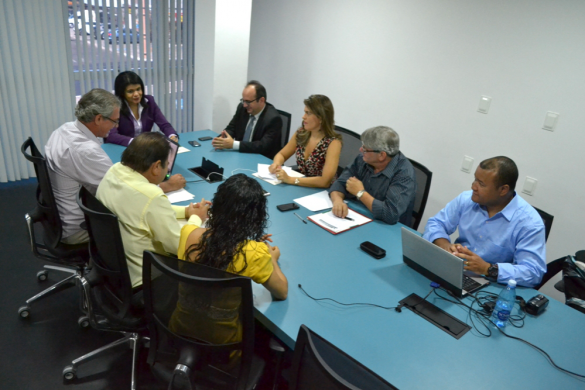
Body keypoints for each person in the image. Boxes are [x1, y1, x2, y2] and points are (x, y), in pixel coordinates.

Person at [45, 89, 186, 245]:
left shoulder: (65, 129)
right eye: (114, 121)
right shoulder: (85, 151)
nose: (116, 126)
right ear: (99, 119)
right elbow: (123, 194)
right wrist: (167, 185)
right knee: (151, 229)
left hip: (63, 215)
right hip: (79, 228)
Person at [169, 174, 287, 346]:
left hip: (177, 333)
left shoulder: (188, 233)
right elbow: (282, 291)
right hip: (223, 348)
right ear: (256, 217)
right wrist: (271, 258)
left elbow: (216, 247)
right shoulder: (255, 253)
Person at [96, 132, 210, 288]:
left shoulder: (114, 171)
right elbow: (180, 245)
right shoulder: (151, 195)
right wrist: (196, 218)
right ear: (156, 167)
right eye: (166, 166)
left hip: (113, 266)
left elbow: (145, 209)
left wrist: (185, 211)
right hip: (145, 278)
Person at [423, 156, 546, 288]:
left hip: (491, 286)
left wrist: (487, 269)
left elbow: (533, 272)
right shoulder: (466, 199)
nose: (473, 187)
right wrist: (445, 245)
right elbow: (436, 223)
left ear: (503, 190)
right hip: (453, 271)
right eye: (475, 179)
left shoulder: (529, 223)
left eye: (481, 184)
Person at [329, 126, 416, 225]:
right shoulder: (362, 159)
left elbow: (390, 214)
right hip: (357, 216)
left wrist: (360, 193)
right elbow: (341, 183)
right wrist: (337, 201)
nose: (361, 150)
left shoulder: (404, 174)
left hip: (386, 228)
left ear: (382, 155)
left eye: (366, 149)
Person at [268, 95, 342, 188]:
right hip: (302, 186)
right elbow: (282, 155)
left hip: (323, 193)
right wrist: (276, 164)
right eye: (304, 112)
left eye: (308, 113)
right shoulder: (301, 133)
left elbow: (324, 181)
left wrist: (290, 179)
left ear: (321, 118)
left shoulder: (333, 143)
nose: (303, 117)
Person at [211, 80, 283, 159]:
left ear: (261, 100)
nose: (245, 105)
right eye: (243, 100)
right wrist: (222, 139)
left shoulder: (273, 119)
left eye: (248, 102)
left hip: (261, 160)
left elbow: (262, 146)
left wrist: (233, 144)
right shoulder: (242, 108)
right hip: (241, 156)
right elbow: (232, 128)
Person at [105, 71, 179, 146]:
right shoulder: (115, 107)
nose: (136, 94)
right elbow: (111, 135)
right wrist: (136, 142)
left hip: (144, 150)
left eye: (138, 89)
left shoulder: (149, 102)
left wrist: (172, 136)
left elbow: (164, 124)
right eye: (130, 91)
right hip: (121, 149)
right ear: (122, 93)